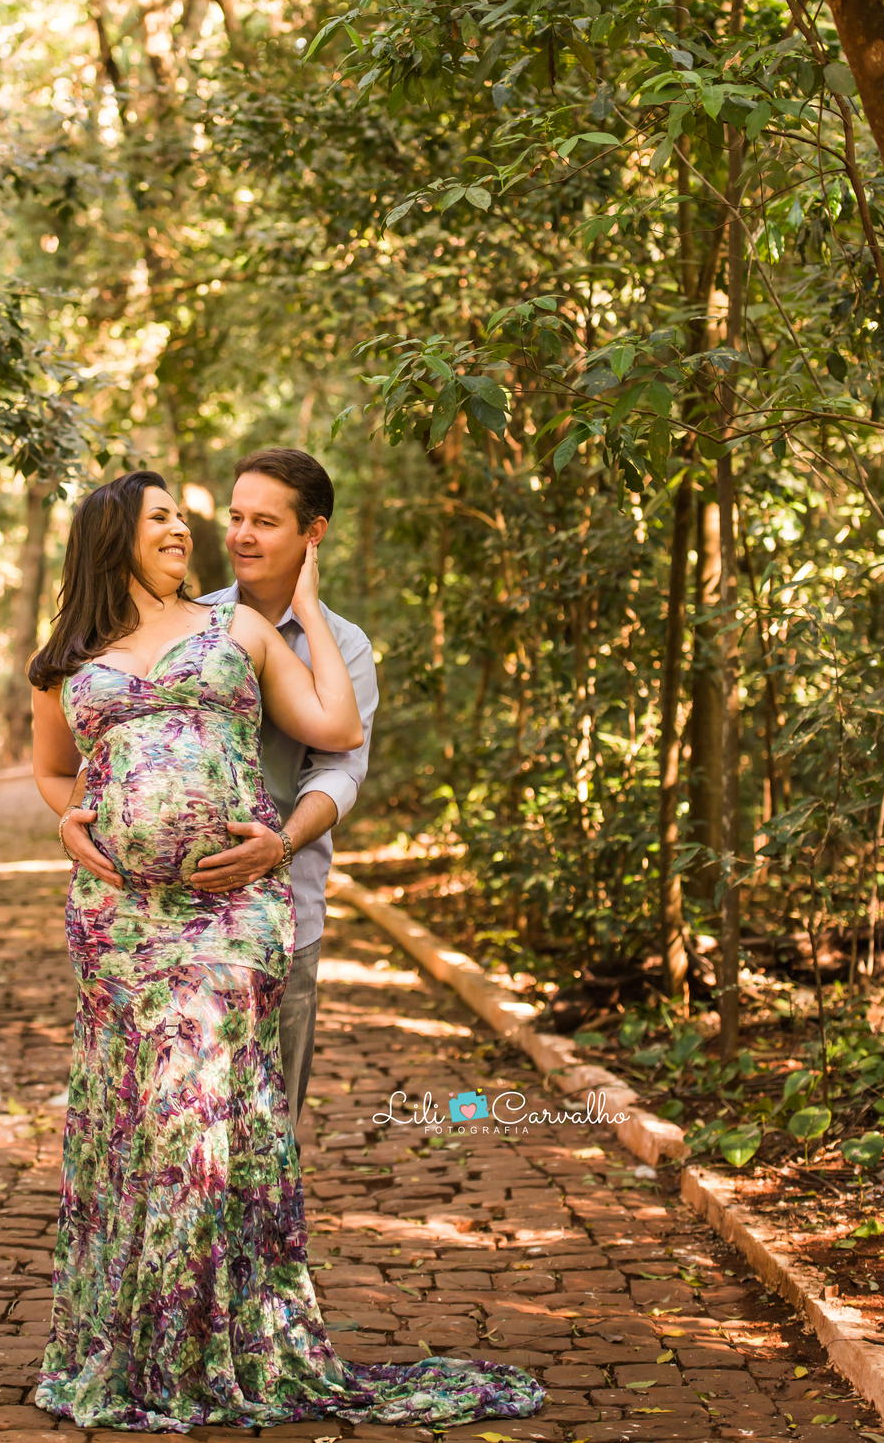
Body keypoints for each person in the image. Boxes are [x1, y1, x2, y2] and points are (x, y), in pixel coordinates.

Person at [28, 470, 543, 1431]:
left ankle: (206, 1348)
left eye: (200, 517)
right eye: (168, 518)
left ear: (307, 534)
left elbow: (340, 737)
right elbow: (56, 770)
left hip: (238, 916)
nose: (195, 529)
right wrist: (71, 827)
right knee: (137, 1128)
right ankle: (135, 1347)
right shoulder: (70, 652)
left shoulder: (249, 633)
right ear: (111, 539)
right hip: (119, 920)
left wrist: (305, 602)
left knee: (204, 1124)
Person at [58, 447, 375, 1125]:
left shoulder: (338, 645)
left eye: (263, 521)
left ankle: (246, 1232)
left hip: (269, 902)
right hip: (132, 914)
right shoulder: (188, 617)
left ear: (310, 534)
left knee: (260, 1119)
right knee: (148, 1115)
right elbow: (103, 744)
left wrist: (279, 845)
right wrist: (74, 814)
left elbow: (342, 760)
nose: (239, 536)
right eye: (235, 517)